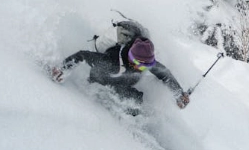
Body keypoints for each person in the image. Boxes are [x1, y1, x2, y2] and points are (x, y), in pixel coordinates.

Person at [52, 37, 191, 109]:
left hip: (121, 82)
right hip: (101, 81)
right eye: (141, 66)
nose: (142, 69)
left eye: (146, 67)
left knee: (136, 100)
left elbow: (164, 73)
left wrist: (179, 94)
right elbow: (82, 55)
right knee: (126, 97)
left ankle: (136, 118)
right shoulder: (110, 61)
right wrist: (63, 68)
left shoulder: (143, 61)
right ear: (132, 59)